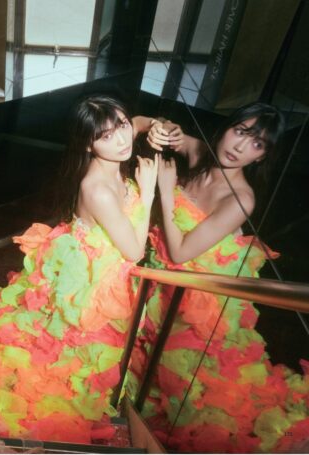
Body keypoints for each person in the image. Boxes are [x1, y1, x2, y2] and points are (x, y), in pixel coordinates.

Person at [0, 95, 158, 444]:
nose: (122, 139)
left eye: (123, 125)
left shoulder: (115, 160)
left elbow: (138, 123)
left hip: (89, 270)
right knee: (62, 357)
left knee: (69, 354)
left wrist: (153, 124)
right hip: (89, 285)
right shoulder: (97, 188)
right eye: (106, 135)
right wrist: (149, 191)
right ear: (88, 144)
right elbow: (134, 251)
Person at [131, 103, 309, 453]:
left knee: (193, 391)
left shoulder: (240, 198)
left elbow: (180, 253)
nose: (240, 147)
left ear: (261, 156)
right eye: (240, 131)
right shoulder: (201, 152)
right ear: (227, 128)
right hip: (163, 281)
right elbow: (142, 123)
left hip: (201, 300)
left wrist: (166, 190)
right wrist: (161, 125)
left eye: (256, 144)